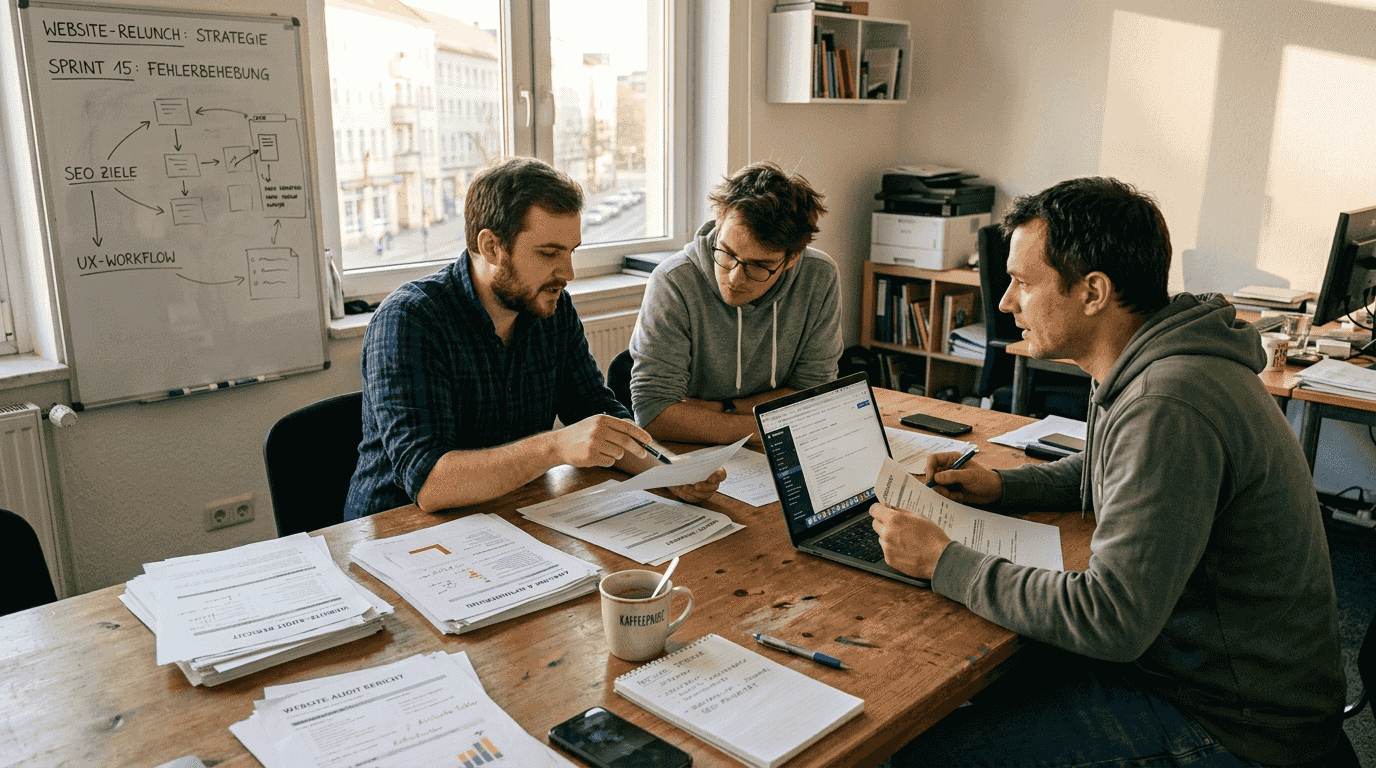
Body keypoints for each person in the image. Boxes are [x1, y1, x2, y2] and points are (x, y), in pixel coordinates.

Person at [873, 177, 1345, 767]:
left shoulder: (1167, 402)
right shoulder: (1157, 359)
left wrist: (943, 561)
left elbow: (1109, 618)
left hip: (1236, 727)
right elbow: (1111, 470)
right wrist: (1002, 485)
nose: (1004, 302)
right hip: (1205, 674)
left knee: (915, 753)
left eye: (1022, 282)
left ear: (1093, 291)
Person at [345, 158, 722, 520]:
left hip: (507, 517)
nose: (568, 272)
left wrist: (670, 471)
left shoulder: (552, 308)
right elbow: (430, 483)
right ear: (492, 247)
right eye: (548, 253)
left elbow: (597, 413)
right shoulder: (409, 320)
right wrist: (556, 446)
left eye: (571, 252)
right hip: (396, 533)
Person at [628, 161, 843, 446]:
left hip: (769, 452)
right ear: (719, 220)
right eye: (727, 252)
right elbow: (654, 414)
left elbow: (813, 395)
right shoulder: (673, 281)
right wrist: (766, 427)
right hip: (690, 451)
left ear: (792, 259)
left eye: (759, 265)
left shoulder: (820, 276)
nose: (734, 277)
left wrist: (721, 409)